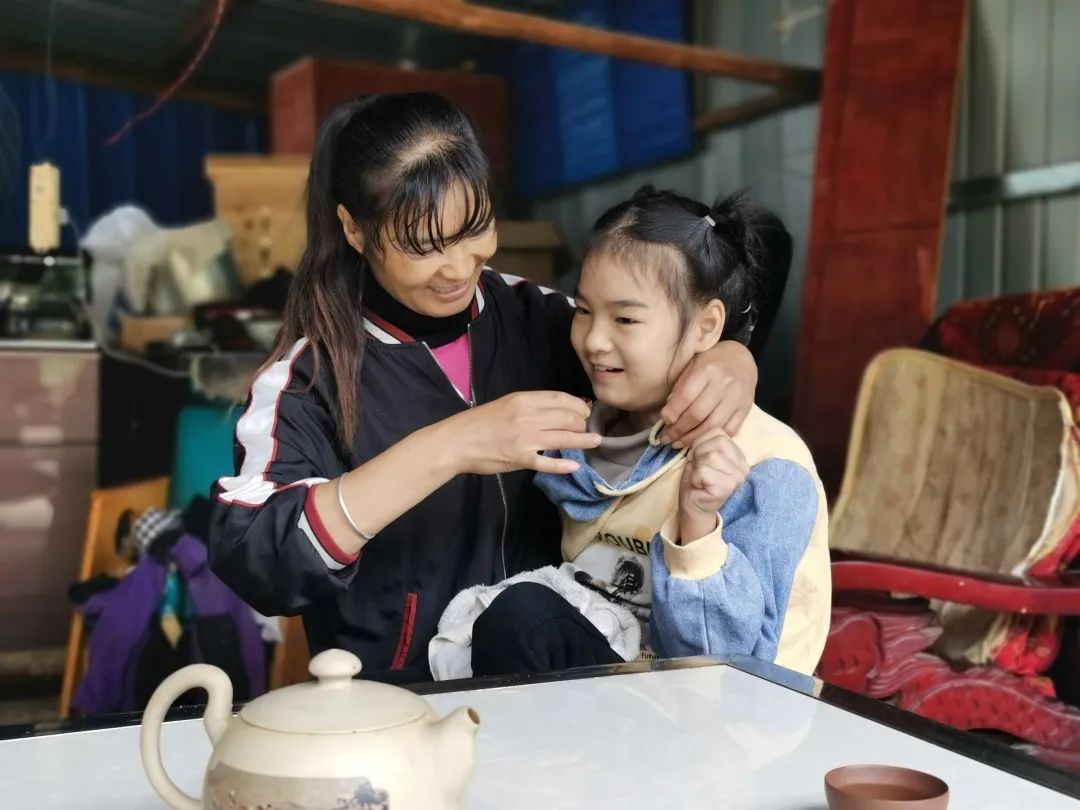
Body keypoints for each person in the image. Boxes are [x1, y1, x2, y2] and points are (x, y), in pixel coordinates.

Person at [209, 93, 764, 682]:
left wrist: (732, 356)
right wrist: (450, 446)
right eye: (423, 247)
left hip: (553, 695)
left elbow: (653, 348)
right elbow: (256, 556)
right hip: (403, 707)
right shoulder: (309, 379)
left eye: (474, 229)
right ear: (354, 229)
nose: (457, 267)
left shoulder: (545, 319)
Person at [429, 188, 829, 679]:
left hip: (712, 725)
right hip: (615, 696)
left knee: (523, 621)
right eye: (583, 310)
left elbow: (730, 666)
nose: (595, 340)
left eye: (625, 319)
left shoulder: (766, 464)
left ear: (707, 326)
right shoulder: (584, 431)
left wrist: (698, 522)